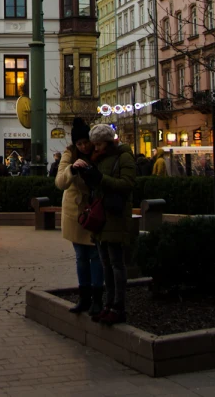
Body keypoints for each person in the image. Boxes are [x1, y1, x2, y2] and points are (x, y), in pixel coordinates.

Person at [73, 124, 136, 326]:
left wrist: (100, 178)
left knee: (117, 264)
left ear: (108, 142)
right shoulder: (97, 158)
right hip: (101, 218)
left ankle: (119, 307)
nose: (95, 148)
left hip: (116, 215)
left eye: (98, 144)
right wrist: (87, 175)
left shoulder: (123, 157)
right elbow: (97, 186)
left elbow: (127, 184)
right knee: (106, 264)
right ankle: (108, 305)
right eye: (95, 144)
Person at [55, 117, 104, 318]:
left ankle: (97, 299)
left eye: (86, 142)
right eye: (80, 143)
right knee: (81, 257)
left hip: (95, 211)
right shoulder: (69, 155)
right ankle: (84, 298)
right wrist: (72, 169)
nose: (84, 146)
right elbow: (59, 182)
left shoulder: (99, 154)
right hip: (75, 214)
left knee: (95, 256)